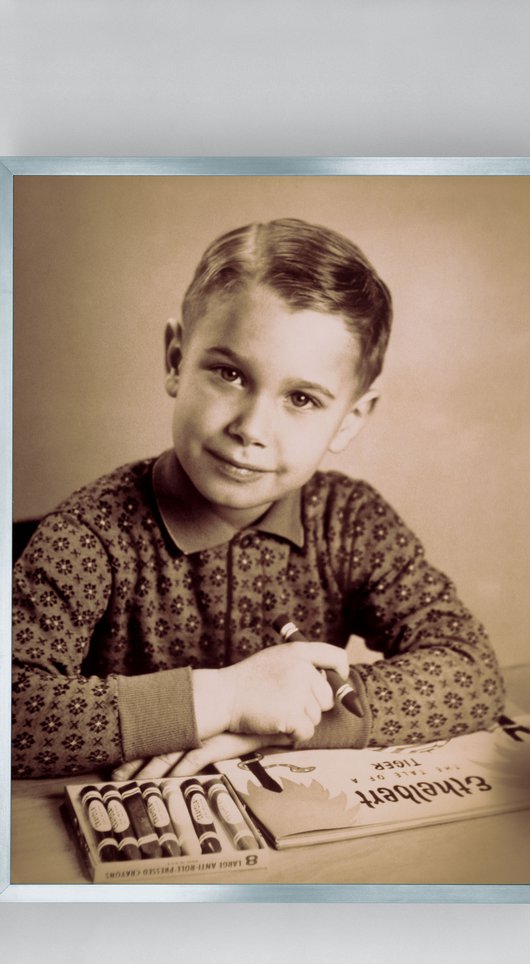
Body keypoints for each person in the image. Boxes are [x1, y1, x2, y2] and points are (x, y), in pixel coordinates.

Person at [12, 218, 505, 780]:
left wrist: (285, 721)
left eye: (301, 398)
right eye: (229, 373)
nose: (251, 428)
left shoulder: (351, 523)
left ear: (351, 419)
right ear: (176, 359)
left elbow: (473, 672)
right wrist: (224, 697)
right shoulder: (89, 535)